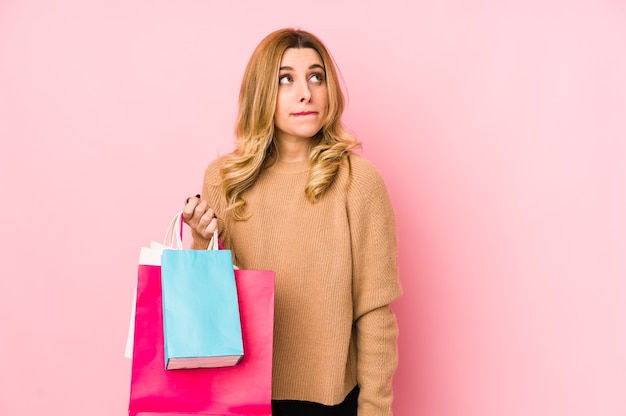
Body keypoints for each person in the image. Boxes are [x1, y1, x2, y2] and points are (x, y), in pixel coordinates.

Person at [182, 28, 401, 416]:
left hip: (331, 402)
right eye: (286, 79)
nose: (306, 93)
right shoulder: (224, 179)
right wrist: (201, 240)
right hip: (240, 396)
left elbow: (375, 314)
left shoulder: (358, 182)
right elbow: (212, 303)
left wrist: (375, 410)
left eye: (316, 77)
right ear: (261, 92)